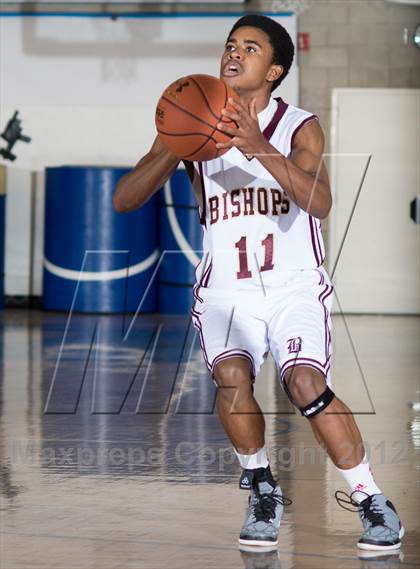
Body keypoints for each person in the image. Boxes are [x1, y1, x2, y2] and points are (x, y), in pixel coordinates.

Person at [113, 14, 403, 553]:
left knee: (305, 386)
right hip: (226, 289)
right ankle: (261, 486)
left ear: (273, 70)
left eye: (249, 48)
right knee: (231, 380)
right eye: (230, 45)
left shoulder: (299, 125)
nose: (234, 53)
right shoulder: (187, 119)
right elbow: (124, 199)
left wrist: (256, 146)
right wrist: (175, 147)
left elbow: (320, 202)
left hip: (293, 286)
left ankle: (371, 500)